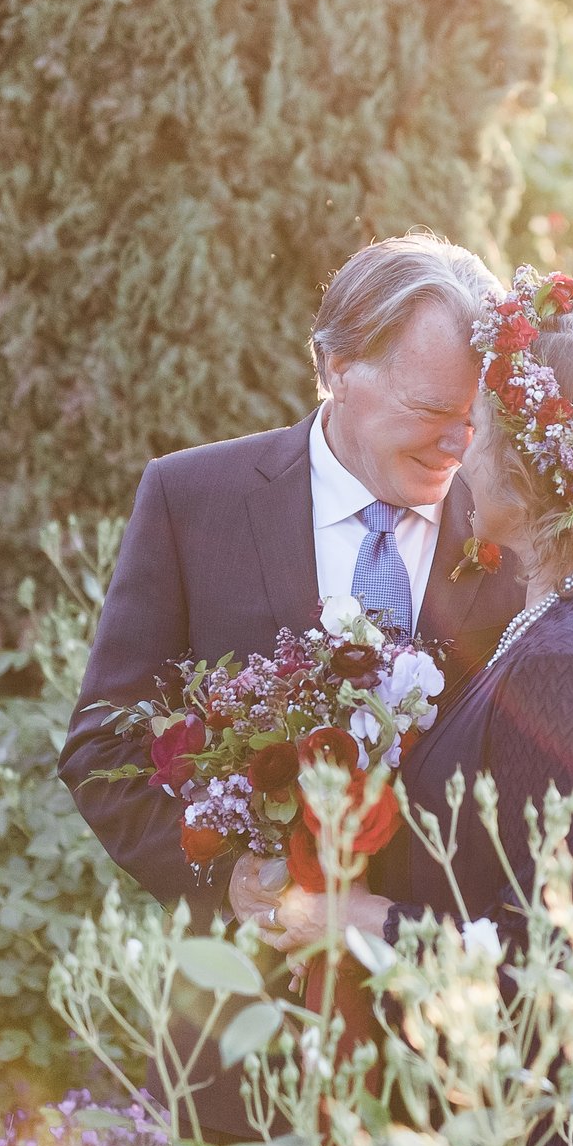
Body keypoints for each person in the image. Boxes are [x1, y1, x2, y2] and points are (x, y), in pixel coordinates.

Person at [241, 268, 573, 1006]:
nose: (459, 454)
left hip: (539, 1112)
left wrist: (356, 916)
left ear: (525, 468)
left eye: (477, 427)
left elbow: (563, 966)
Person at [60, 233, 527, 925]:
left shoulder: (515, 521)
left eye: (474, 418)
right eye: (432, 412)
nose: (459, 447)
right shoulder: (192, 500)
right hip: (260, 997)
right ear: (339, 368)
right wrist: (229, 875)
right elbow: (102, 746)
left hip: (455, 983)